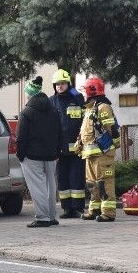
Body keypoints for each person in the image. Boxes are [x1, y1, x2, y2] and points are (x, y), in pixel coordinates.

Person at [16, 76, 64, 228]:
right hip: (51, 155)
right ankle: (51, 216)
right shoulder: (54, 110)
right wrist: (57, 152)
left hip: (32, 156)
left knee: (38, 187)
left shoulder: (27, 112)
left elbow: (21, 136)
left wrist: (20, 154)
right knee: (51, 186)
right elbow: (60, 133)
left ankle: (42, 217)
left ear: (29, 93)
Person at [77, 76, 121, 222]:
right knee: (92, 184)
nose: (83, 94)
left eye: (85, 91)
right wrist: (79, 144)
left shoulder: (103, 108)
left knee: (104, 183)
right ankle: (94, 210)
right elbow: (86, 130)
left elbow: (112, 129)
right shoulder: (90, 109)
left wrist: (114, 145)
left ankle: (108, 213)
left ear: (92, 91)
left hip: (103, 154)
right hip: (90, 155)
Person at [48, 69, 87, 219]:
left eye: (62, 83)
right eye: (57, 84)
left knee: (76, 177)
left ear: (68, 84)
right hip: (60, 149)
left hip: (77, 148)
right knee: (62, 178)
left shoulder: (77, 99)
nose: (59, 86)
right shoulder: (51, 101)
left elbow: (85, 121)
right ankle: (66, 208)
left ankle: (77, 208)